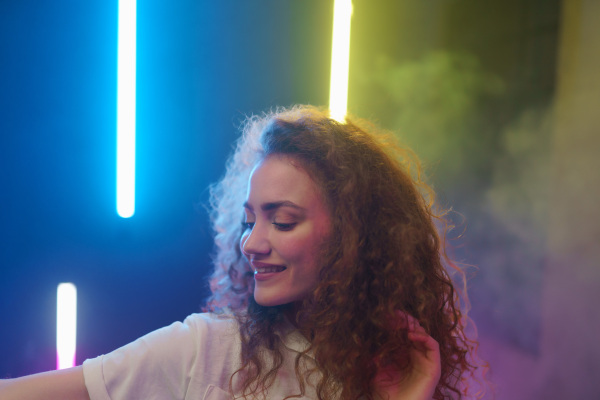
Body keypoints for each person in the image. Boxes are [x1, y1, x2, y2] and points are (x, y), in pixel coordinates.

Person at [0, 105, 482, 400]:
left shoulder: (386, 375)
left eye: (283, 220)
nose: (250, 242)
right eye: (250, 220)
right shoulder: (206, 350)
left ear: (356, 236)